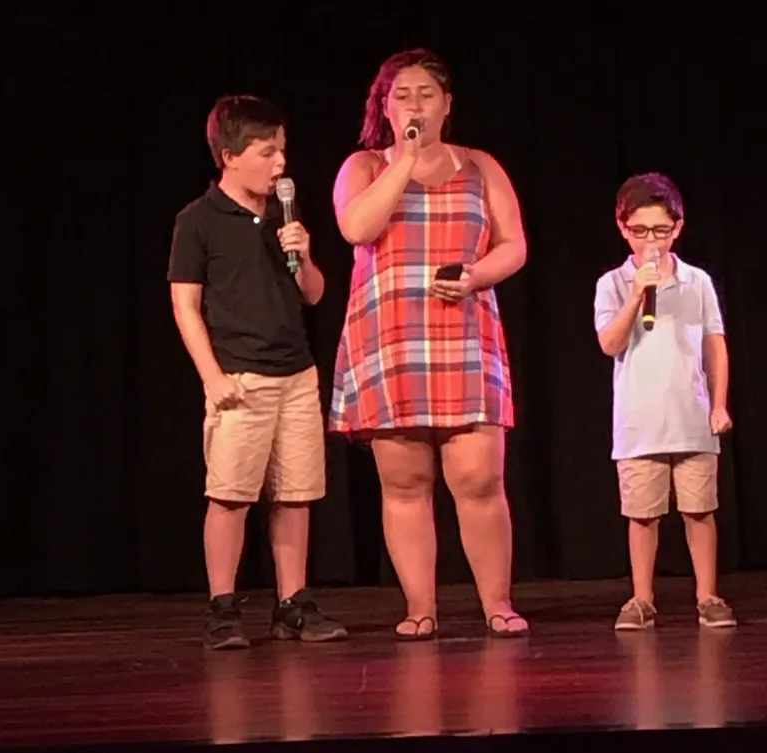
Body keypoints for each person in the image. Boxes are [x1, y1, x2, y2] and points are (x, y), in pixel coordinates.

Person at [329, 49, 529, 640]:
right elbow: (357, 228)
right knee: (405, 482)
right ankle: (421, 607)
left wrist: (476, 275)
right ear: (385, 108)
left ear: (446, 104)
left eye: (426, 94)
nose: (415, 104)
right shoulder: (365, 165)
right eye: (402, 96)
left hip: (465, 334)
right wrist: (406, 162)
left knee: (479, 478)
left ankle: (498, 603)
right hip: (389, 341)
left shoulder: (480, 165)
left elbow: (514, 244)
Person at [167, 94, 348, 649]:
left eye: (282, 151)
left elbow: (314, 294)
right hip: (240, 380)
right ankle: (222, 609)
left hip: (296, 374)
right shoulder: (198, 221)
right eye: (267, 152)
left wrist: (305, 254)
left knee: (295, 495)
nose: (280, 163)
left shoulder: (283, 216)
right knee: (230, 495)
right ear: (229, 156)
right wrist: (212, 377)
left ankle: (293, 605)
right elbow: (184, 306)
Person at [593, 172, 738, 631]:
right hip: (639, 423)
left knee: (700, 510)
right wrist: (638, 293)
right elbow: (610, 343)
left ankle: (708, 596)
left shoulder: (698, 282)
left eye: (660, 230)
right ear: (623, 228)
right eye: (640, 231)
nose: (650, 241)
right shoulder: (612, 283)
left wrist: (719, 403)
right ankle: (642, 599)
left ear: (678, 227)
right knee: (642, 515)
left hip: (691, 416)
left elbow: (714, 343)